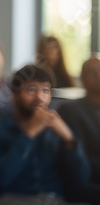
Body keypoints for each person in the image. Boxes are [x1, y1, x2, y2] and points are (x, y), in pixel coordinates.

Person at [0, 64, 90, 205]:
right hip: (11, 198)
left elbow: (82, 179)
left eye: (45, 90)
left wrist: (68, 138)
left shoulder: (54, 130)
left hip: (54, 199)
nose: (39, 97)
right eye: (31, 90)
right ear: (15, 95)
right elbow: (0, 179)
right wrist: (29, 133)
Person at [58, 56, 100, 204]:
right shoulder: (70, 111)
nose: (98, 76)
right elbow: (79, 157)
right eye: (92, 72)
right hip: (87, 181)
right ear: (82, 79)